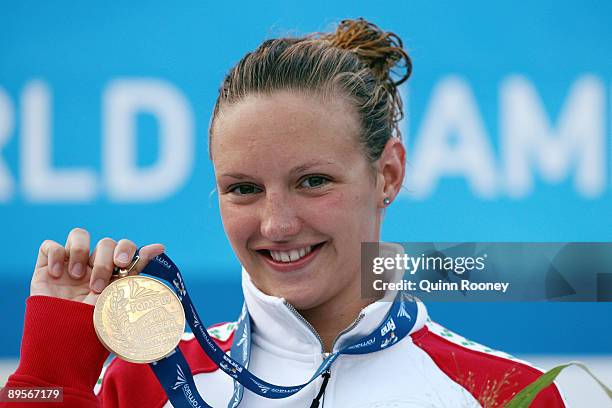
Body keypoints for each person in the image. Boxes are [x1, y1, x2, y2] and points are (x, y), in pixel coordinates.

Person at [2, 18, 566, 408]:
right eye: (243, 189)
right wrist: (52, 372)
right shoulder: (152, 382)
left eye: (313, 181)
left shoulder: (502, 393)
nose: (276, 224)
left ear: (388, 174)